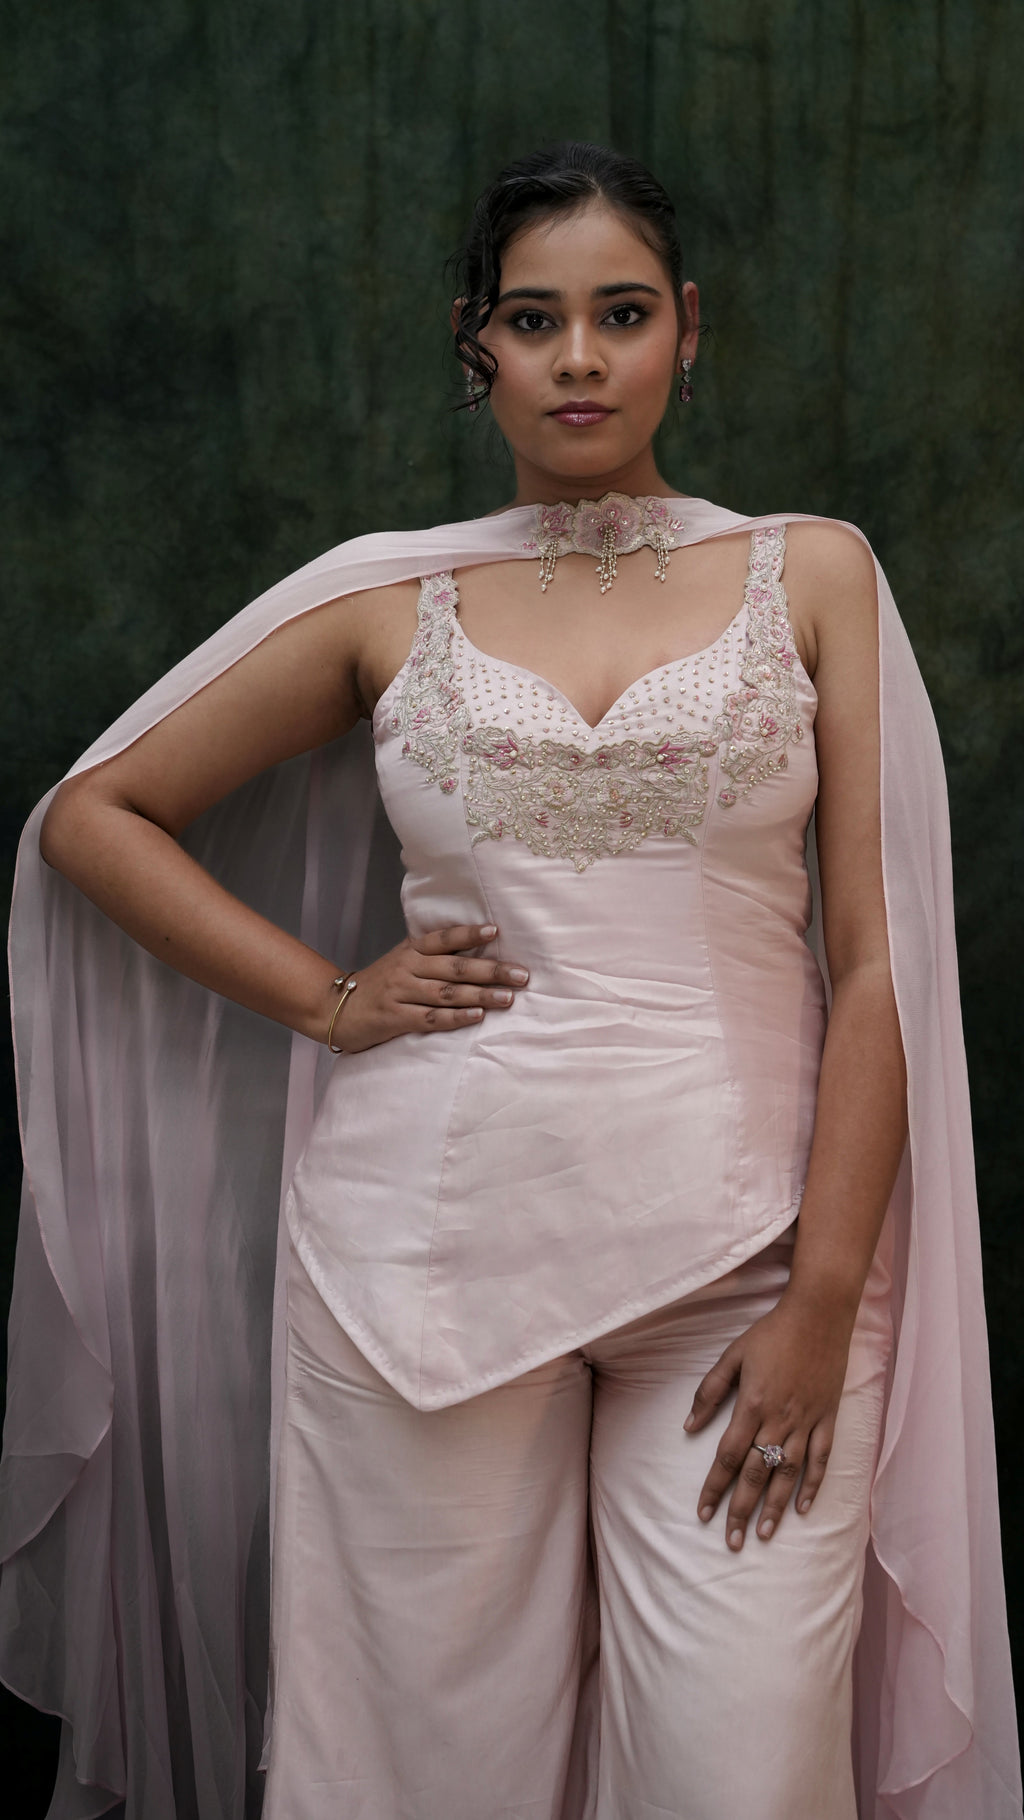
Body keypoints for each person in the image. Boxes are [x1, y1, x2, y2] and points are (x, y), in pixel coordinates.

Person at [0, 142, 1018, 1820]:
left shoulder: (813, 572)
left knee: (740, 1776)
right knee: (416, 1780)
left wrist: (826, 1297)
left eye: (621, 315)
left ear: (689, 330)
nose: (582, 358)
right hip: (422, 1262)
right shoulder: (391, 596)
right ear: (480, 349)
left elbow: (873, 970)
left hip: (751, 1261)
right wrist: (332, 1001)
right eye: (535, 322)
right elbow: (95, 820)